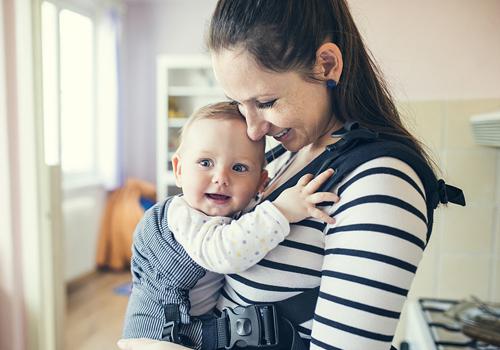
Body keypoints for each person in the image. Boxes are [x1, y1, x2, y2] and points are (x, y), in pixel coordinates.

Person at [118, 0, 465, 349]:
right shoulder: (283, 155)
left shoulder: (380, 183)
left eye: (266, 102)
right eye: (239, 104)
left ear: (326, 65)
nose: (253, 130)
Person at [121, 102, 338, 347]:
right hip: (158, 339)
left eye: (239, 168)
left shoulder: (235, 210)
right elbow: (223, 252)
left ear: (260, 183)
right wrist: (282, 210)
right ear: (179, 170)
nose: (221, 178)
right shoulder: (182, 215)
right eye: (205, 163)